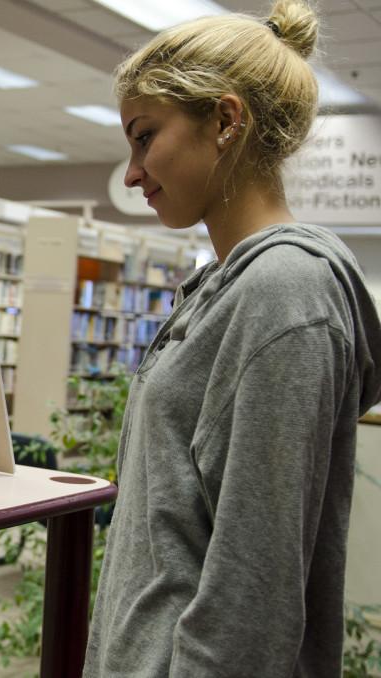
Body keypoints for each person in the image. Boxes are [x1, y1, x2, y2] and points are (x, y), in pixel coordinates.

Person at [83, 1, 381, 676]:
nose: (131, 174)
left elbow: (255, 587)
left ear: (224, 120)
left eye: (145, 136)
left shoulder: (281, 295)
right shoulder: (225, 284)